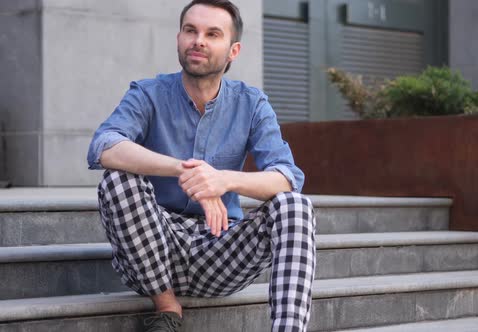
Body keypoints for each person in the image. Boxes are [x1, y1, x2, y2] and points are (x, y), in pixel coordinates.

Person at [86, 1, 316, 331]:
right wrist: (186, 170)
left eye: (213, 34)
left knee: (295, 205)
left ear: (233, 49)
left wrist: (222, 180)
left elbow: (288, 177)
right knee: (117, 180)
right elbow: (104, 146)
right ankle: (167, 308)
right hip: (152, 249)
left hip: (220, 250)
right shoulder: (148, 94)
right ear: (179, 37)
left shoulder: (251, 103)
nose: (199, 41)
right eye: (190, 30)